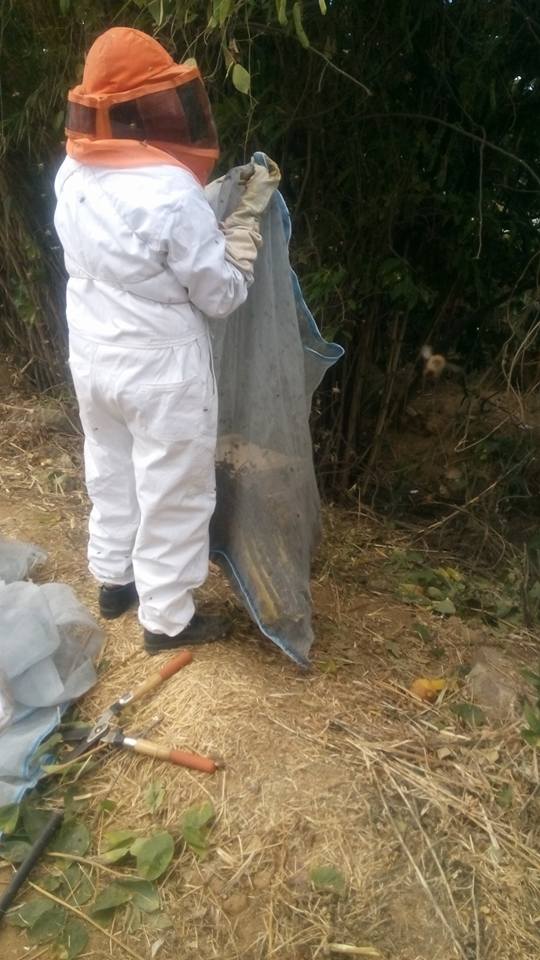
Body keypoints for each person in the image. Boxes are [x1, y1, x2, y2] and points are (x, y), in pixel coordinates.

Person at [54, 27, 279, 654]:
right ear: (141, 109)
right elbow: (221, 294)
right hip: (159, 366)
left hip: (92, 352)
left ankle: (112, 582)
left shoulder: (70, 172)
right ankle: (167, 620)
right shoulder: (172, 190)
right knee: (172, 488)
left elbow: (133, 239)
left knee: (112, 471)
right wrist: (241, 226)